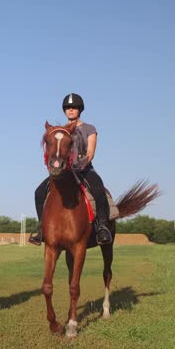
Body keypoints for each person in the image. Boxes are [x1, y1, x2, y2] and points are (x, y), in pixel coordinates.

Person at [29, 93, 112, 245]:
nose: (71, 110)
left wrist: (81, 164)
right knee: (39, 192)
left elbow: (90, 152)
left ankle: (102, 227)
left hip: (84, 169)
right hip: (64, 170)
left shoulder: (89, 128)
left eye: (74, 107)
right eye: (67, 107)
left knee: (99, 189)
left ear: (80, 110)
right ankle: (42, 229)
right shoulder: (59, 130)